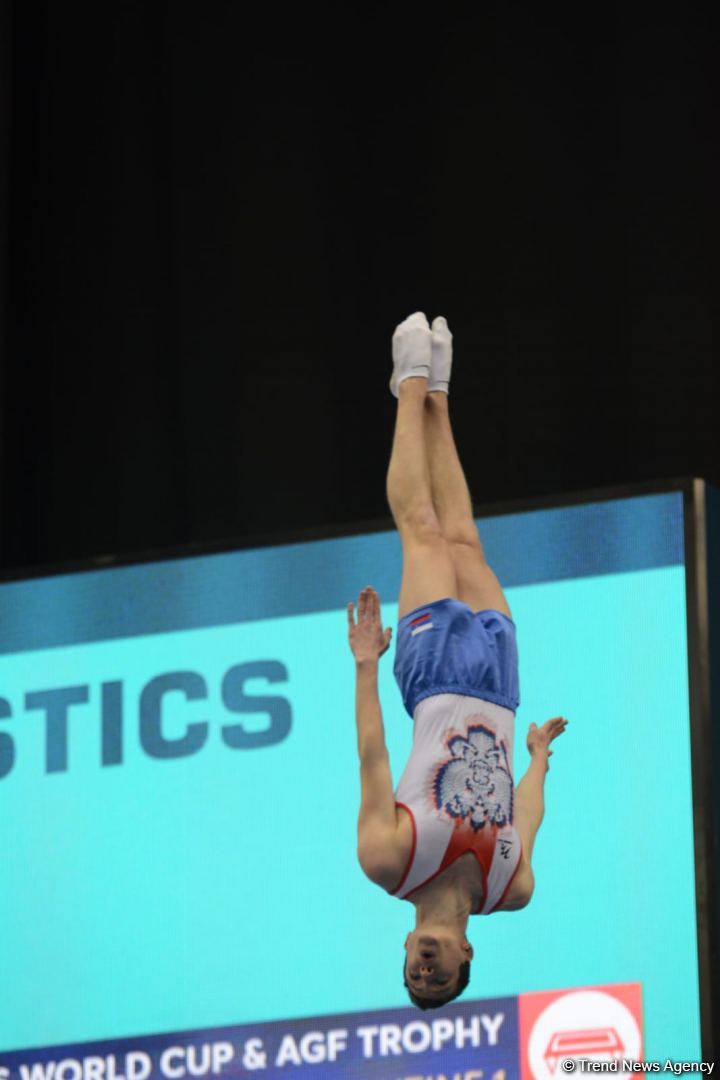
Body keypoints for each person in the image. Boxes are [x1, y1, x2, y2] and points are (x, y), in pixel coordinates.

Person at [347, 312, 568, 1010]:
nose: (424, 971)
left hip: (433, 676)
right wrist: (536, 761)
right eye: (439, 978)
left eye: (415, 974)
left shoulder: (389, 862)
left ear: (407, 952)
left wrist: (363, 664)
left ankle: (408, 382)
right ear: (468, 955)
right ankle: (440, 393)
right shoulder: (512, 887)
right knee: (466, 542)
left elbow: (373, 758)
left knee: (422, 530)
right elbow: (526, 817)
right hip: (501, 694)